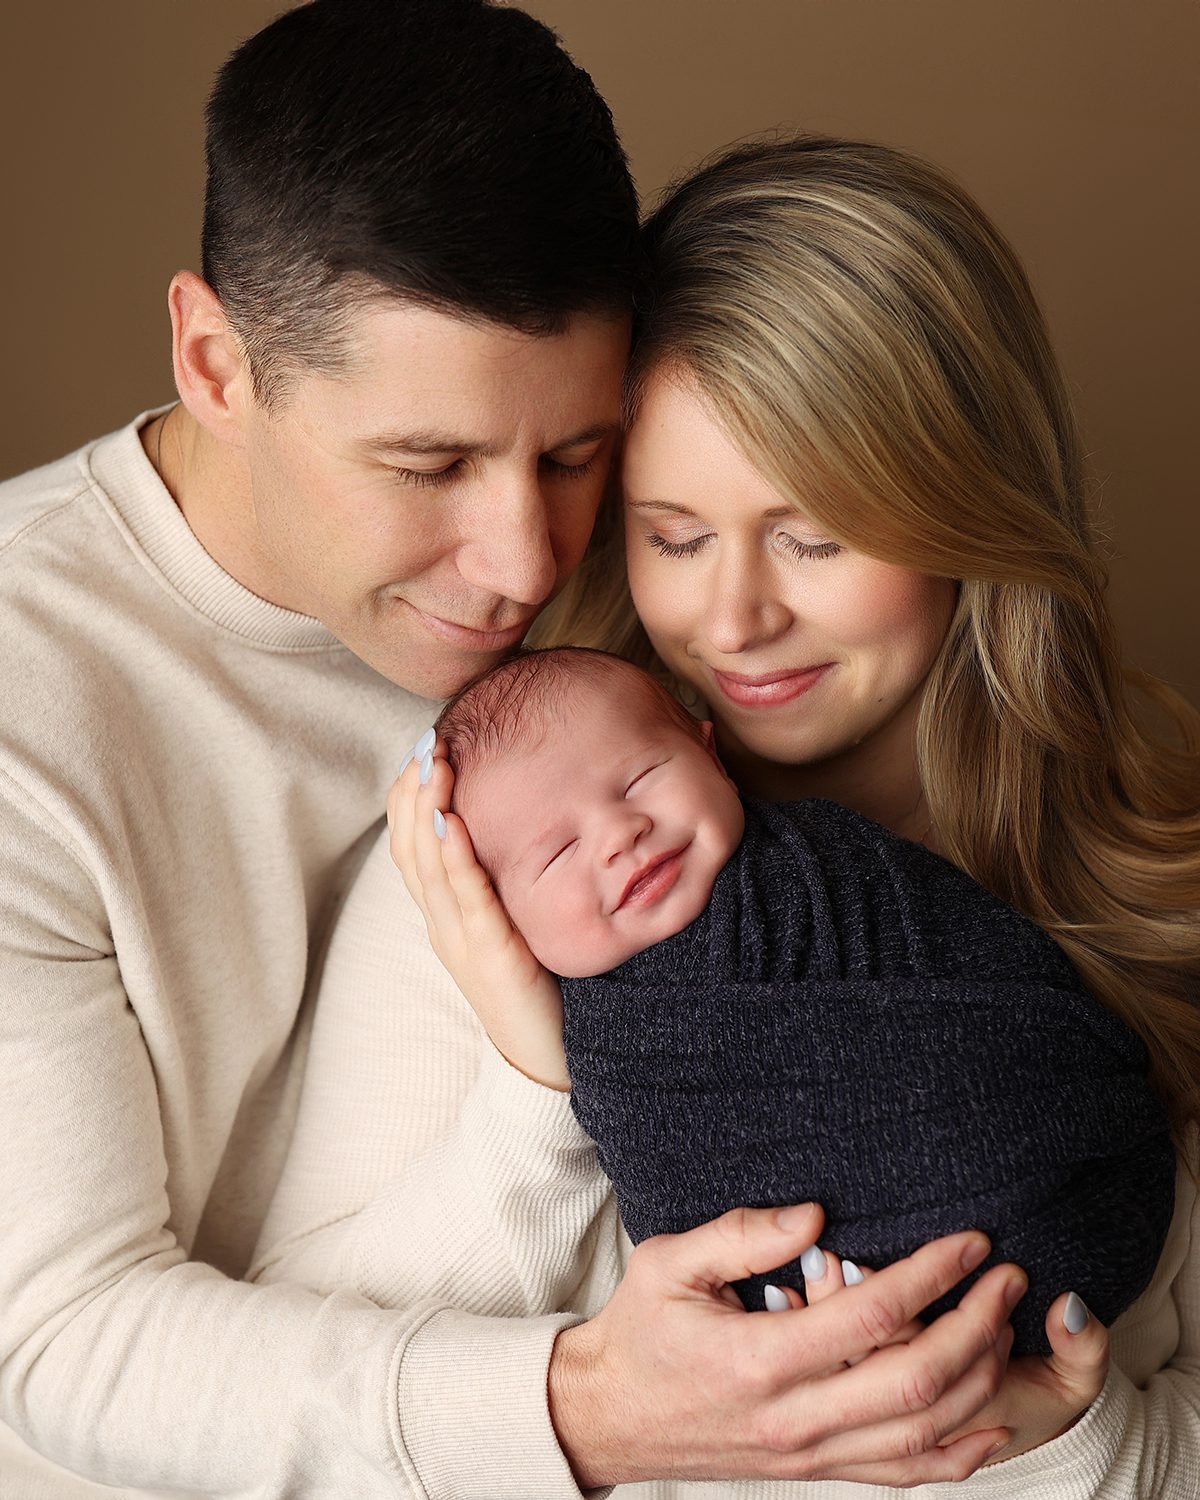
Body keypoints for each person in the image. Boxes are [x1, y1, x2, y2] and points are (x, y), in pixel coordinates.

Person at [0, 1, 1027, 1492]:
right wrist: (583, 1409)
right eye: (428, 466)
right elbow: (58, 1346)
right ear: (218, 364)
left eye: (574, 455)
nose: (523, 560)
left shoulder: (672, 602)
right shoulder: (31, 703)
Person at [276, 134, 1199, 1497]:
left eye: (815, 534)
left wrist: (1062, 1439)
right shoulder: (503, 866)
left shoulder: (1147, 886)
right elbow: (302, 1403)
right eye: (676, 535)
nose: (736, 616)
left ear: (967, 506)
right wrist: (540, 1093)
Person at [412, 642, 1174, 1359]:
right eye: (558, 852)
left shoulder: (830, 859)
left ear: (709, 753)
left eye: (641, 777)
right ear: (496, 915)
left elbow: (994, 959)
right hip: (836, 1316)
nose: (619, 833)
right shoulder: (603, 1045)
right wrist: (536, 1065)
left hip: (1084, 1171)